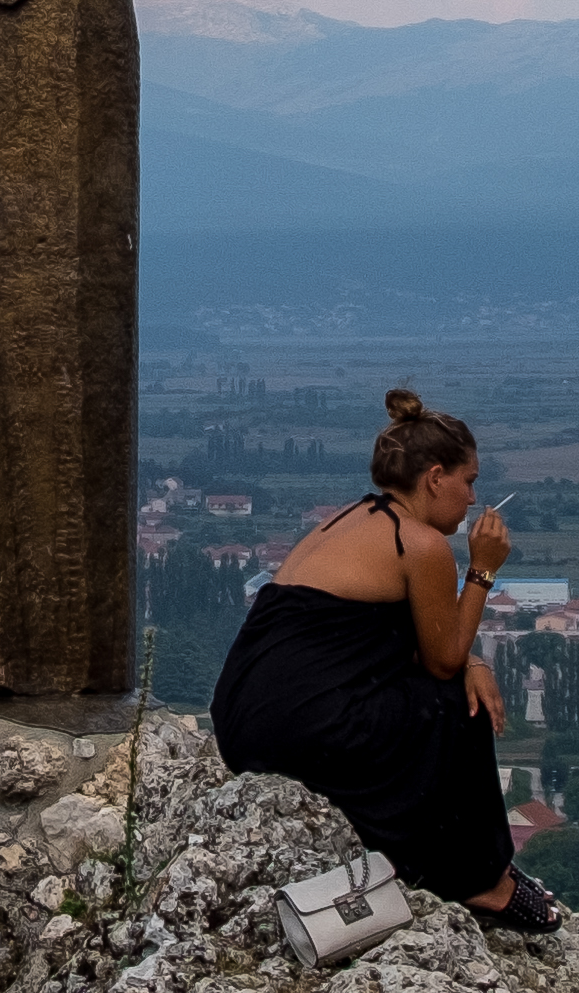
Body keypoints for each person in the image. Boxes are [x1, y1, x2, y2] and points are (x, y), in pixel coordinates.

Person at [210, 387, 559, 935]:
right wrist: (484, 569)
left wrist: (472, 661)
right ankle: (482, 881)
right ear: (436, 476)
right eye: (468, 482)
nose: (472, 500)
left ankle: (436, 860)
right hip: (299, 728)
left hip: (241, 719)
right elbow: (442, 661)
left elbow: (406, 643)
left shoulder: (352, 517)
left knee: (435, 691)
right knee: (456, 708)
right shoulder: (420, 544)